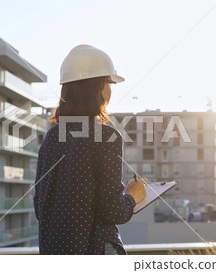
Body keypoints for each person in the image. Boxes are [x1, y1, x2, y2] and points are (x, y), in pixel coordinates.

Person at [33, 44, 147, 255]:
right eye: (109, 82)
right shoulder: (106, 137)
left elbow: (41, 207)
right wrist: (133, 196)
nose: (110, 89)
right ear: (99, 87)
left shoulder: (51, 137)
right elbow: (113, 212)